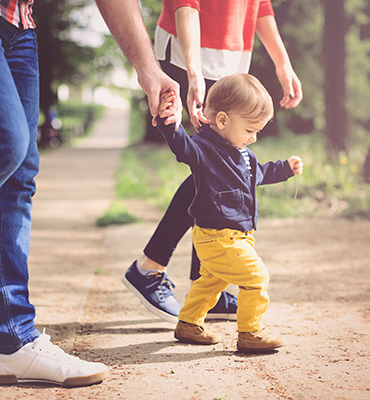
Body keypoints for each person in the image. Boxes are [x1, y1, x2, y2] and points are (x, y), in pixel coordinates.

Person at [0, 0, 181, 387]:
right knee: (8, 145)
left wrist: (149, 70)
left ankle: (10, 337)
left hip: (20, 23)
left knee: (19, 176)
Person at [123, 0, 303, 323]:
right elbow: (186, 4)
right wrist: (194, 72)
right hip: (187, 49)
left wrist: (283, 62)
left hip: (232, 57)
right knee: (209, 164)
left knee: (214, 167)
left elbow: (259, 5)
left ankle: (208, 284)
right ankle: (151, 267)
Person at [157, 73, 303, 353]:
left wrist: (285, 168)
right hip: (219, 237)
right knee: (256, 278)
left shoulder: (244, 155)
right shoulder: (204, 148)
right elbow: (181, 145)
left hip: (234, 237)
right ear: (222, 120)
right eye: (250, 130)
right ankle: (251, 332)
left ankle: (188, 323)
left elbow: (259, 174)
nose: (255, 138)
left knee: (211, 282)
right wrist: (169, 123)